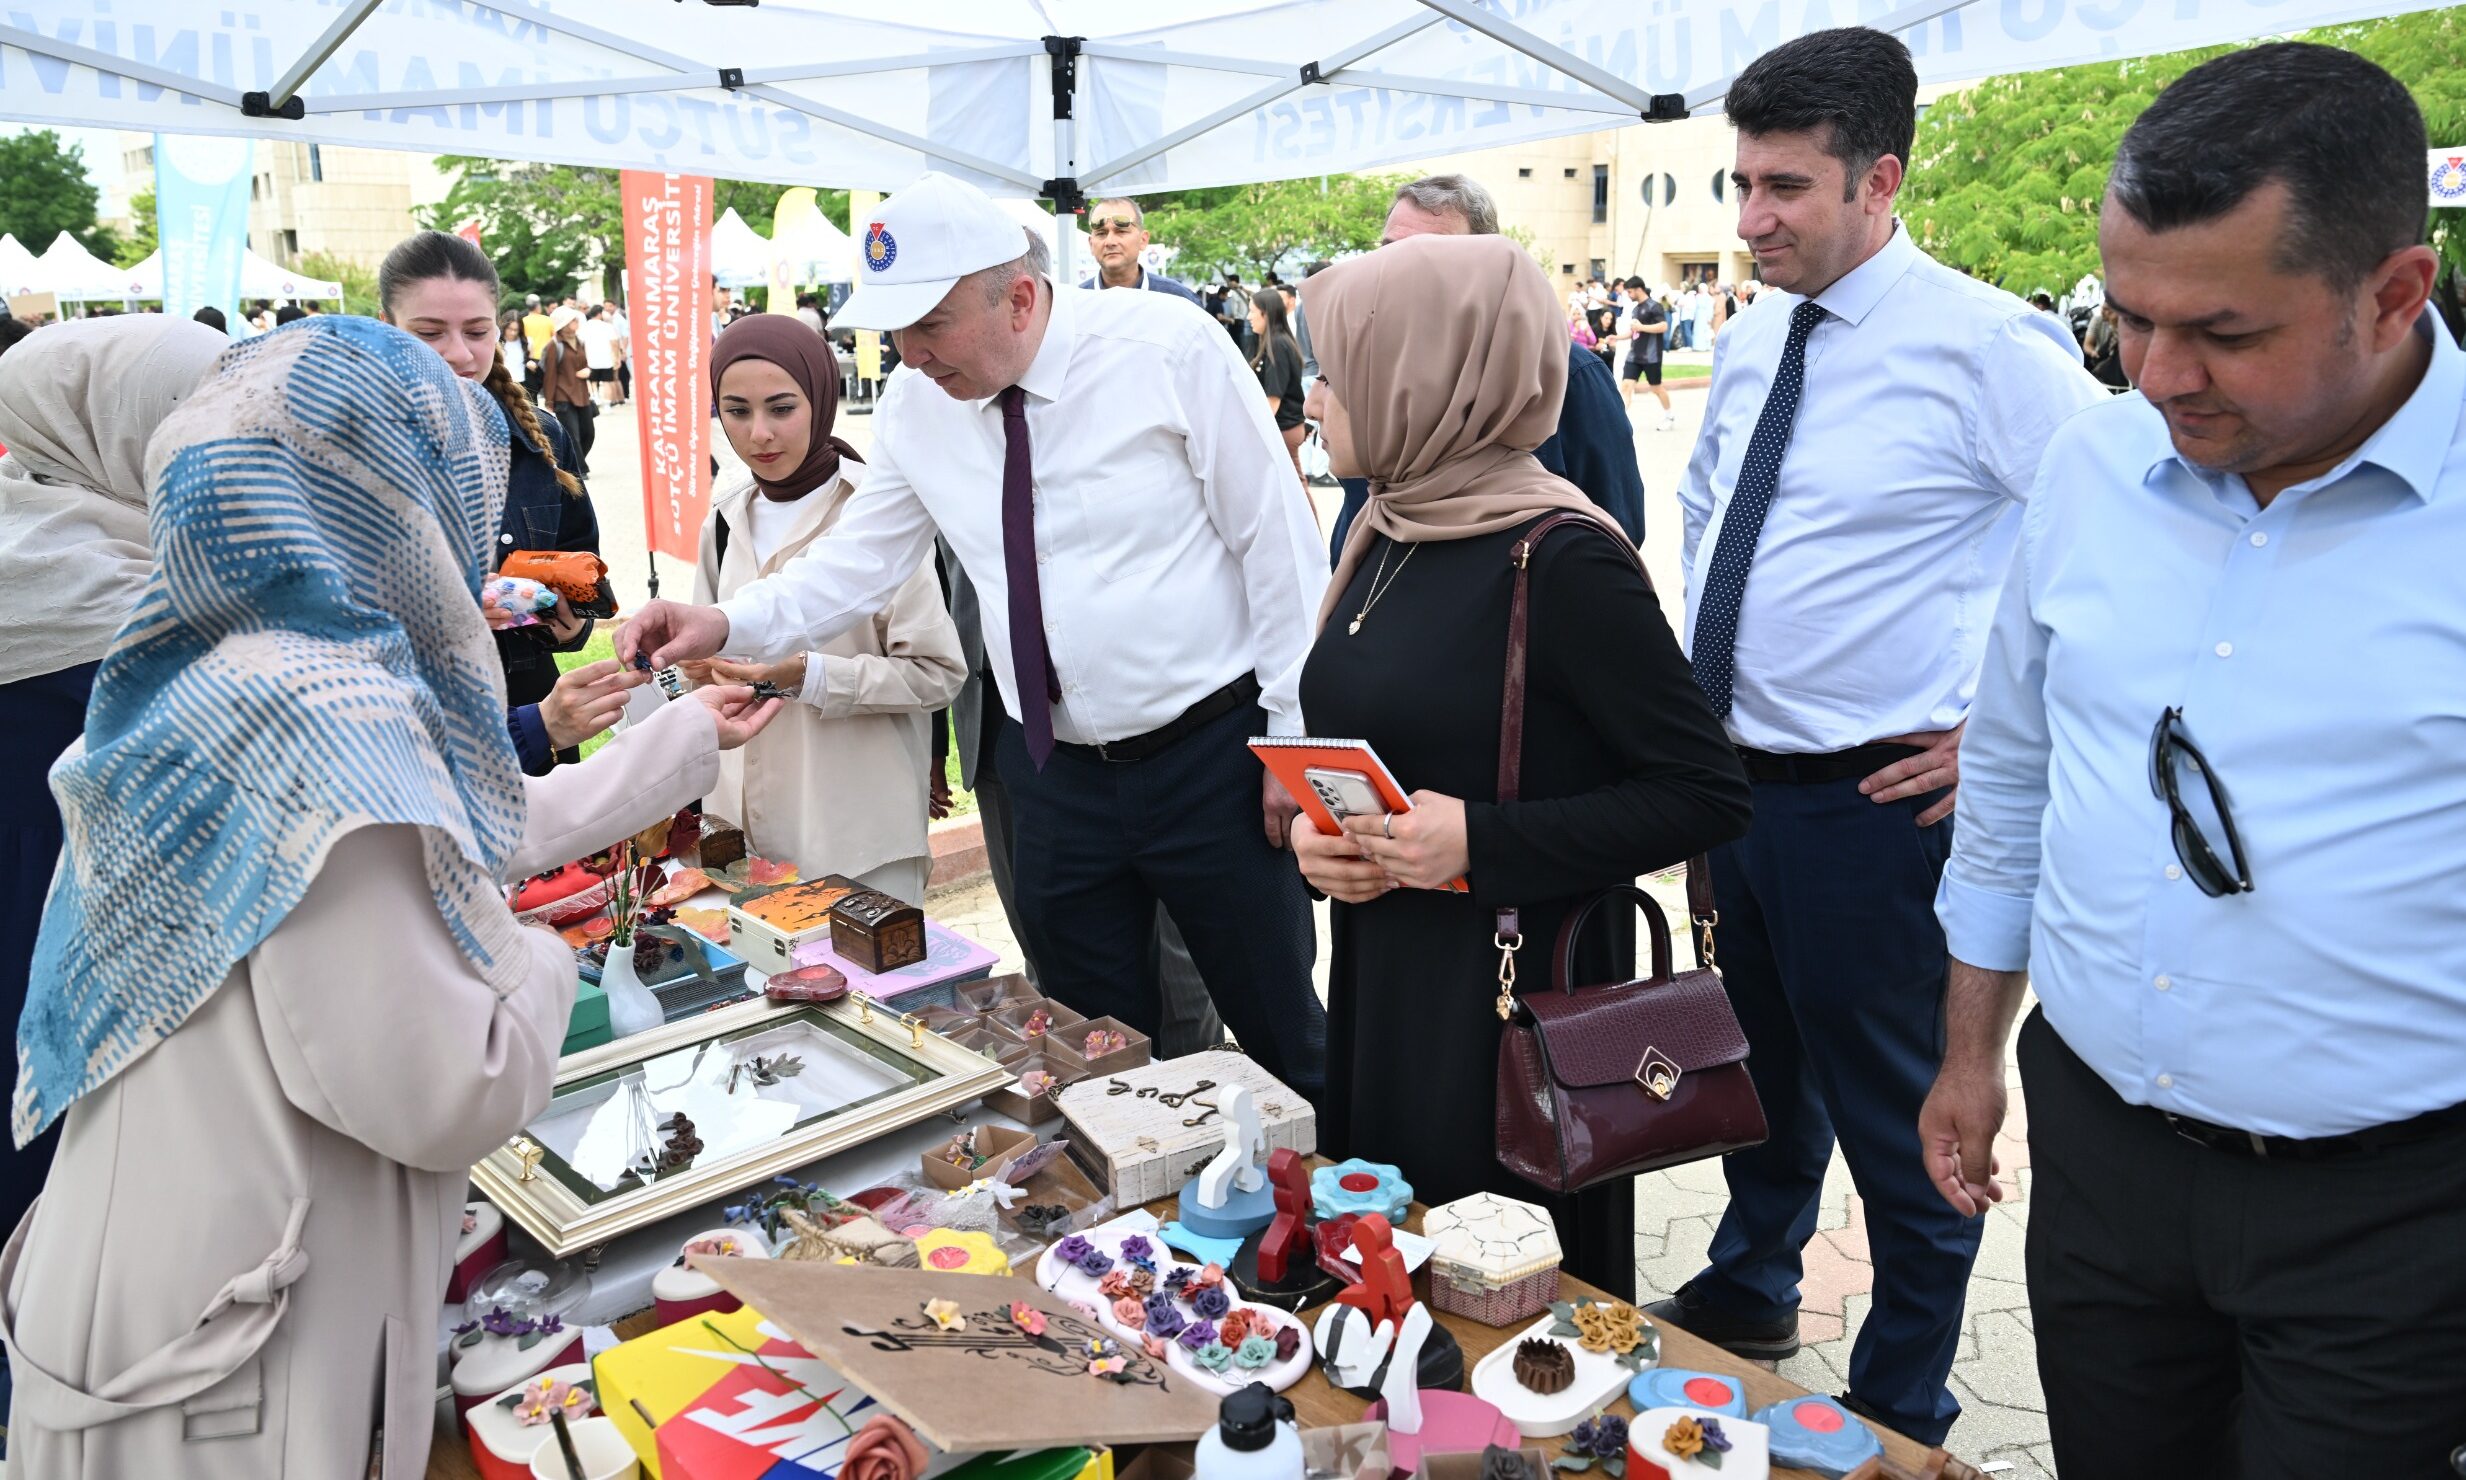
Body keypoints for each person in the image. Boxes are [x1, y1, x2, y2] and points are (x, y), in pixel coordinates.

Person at [0, 314, 784, 1478]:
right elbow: (439, 1083)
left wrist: (661, 752)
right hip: (231, 1362)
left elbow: (442, 819)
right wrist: (538, 960)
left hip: (165, 1289)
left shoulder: (226, 654)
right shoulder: (315, 706)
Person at [1924, 44, 2466, 1476]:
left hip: (2394, 1212)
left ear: (2393, 292)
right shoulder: (2090, 466)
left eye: (2221, 330)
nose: (2155, 374)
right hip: (2101, 1157)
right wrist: (1967, 1050)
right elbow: (2014, 773)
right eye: (2125, 316)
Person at [618, 171, 1331, 1105]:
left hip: (1213, 759)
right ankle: (1135, 1250)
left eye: (930, 325)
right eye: (894, 331)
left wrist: (1293, 737)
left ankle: (1355, 1229)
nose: (908, 354)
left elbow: (1277, 546)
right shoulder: (920, 407)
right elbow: (856, 562)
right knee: (1088, 1048)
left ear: (1021, 297)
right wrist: (727, 619)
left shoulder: (1170, 351)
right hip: (1055, 775)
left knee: (1279, 1029)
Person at [1647, 27, 2107, 1446]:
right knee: (1757, 1076)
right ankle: (1751, 1284)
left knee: (1902, 1123)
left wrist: (1996, 736)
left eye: (1784, 187)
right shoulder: (1750, 333)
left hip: (1875, 813)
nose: (1749, 220)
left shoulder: (1986, 347)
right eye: (1739, 183)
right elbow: (1715, 521)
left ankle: (1904, 1394)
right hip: (1740, 797)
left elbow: (2120, 545)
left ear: (1880, 181)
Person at [1292, 234, 1751, 1297]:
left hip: (1513, 1000)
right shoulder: (1391, 525)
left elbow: (1706, 793)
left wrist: (1480, 844)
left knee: (1498, 1298)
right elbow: (1381, 742)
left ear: (1424, 374)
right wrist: (1326, 844)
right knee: (1393, 1261)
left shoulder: (1563, 556)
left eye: (1336, 366)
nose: (1315, 395)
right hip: (1387, 969)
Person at [0, 315, 228, 1248]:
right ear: (109, 433)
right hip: (87, 983)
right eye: (188, 425)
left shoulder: (47, 553)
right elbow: (289, 771)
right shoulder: (110, 612)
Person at [689, 317, 966, 904]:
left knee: (872, 998)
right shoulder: (723, 520)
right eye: (736, 411)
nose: (760, 433)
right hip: (737, 841)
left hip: (857, 842)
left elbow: (936, 673)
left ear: (820, 397)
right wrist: (684, 674)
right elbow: (697, 667)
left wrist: (809, 676)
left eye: (782, 408)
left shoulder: (880, 516)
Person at [1329, 175, 1645, 554]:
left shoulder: (1566, 374)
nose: (1396, 270)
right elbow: (1357, 513)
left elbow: (1616, 526)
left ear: (1487, 265)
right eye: (1389, 250)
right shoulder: (1370, 368)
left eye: (1427, 256)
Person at [378, 232, 601, 745]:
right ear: (386, 327)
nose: (458, 354)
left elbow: (580, 563)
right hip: (408, 727)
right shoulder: (346, 450)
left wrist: (567, 621)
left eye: (477, 332)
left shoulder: (541, 438)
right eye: (429, 332)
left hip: (535, 711)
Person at [1081, 197, 1205, 308]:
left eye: (1121, 232)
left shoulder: (1179, 300)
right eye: (1101, 233)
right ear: (1091, 244)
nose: (1110, 242)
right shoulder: (1076, 305)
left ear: (1143, 240)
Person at [1249, 286, 1308, 482]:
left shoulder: (1277, 345)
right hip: (1285, 426)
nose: (1249, 317)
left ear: (1265, 314)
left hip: (1283, 427)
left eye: (1252, 311)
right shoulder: (1275, 342)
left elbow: (1273, 399)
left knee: (1295, 488)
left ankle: (1309, 515)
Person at [541, 305, 597, 476]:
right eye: (573, 319)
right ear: (564, 324)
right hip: (562, 395)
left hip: (581, 393)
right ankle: (580, 469)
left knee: (589, 432)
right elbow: (549, 375)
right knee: (573, 435)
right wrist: (549, 401)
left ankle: (575, 463)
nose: (577, 321)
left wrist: (589, 371)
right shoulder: (554, 345)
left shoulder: (580, 341)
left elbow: (584, 365)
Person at [1620, 277, 1675, 428]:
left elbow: (1664, 326)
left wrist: (1642, 327)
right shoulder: (1636, 309)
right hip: (1634, 355)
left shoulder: (1654, 306)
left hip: (1651, 356)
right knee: (1626, 386)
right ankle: (1619, 422)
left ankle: (1669, 417)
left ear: (1639, 289)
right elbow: (1634, 332)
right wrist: (1616, 338)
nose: (1629, 295)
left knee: (1656, 388)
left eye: (1630, 291)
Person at [579, 302, 618, 406]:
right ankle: (607, 405)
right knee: (607, 382)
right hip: (607, 358)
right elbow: (614, 343)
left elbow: (580, 344)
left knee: (592, 381)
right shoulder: (608, 326)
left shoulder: (584, 327)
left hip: (590, 358)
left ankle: (595, 398)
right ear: (600, 314)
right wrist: (616, 358)